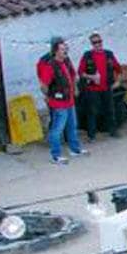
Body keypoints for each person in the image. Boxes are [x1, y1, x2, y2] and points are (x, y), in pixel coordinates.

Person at [36, 36, 84, 165]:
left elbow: (73, 75)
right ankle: (55, 155)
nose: (65, 51)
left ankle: (75, 149)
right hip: (58, 103)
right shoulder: (50, 65)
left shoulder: (66, 61)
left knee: (72, 126)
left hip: (69, 100)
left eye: (66, 49)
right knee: (57, 129)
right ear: (56, 51)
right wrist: (50, 96)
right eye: (63, 49)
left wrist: (74, 88)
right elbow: (44, 85)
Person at [77, 32, 123, 141]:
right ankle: (92, 135)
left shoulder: (109, 54)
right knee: (92, 112)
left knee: (110, 110)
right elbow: (80, 72)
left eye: (99, 41)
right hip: (92, 89)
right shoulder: (87, 55)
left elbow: (118, 69)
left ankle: (113, 131)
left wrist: (118, 81)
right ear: (92, 44)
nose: (97, 44)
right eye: (95, 42)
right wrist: (92, 77)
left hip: (107, 87)